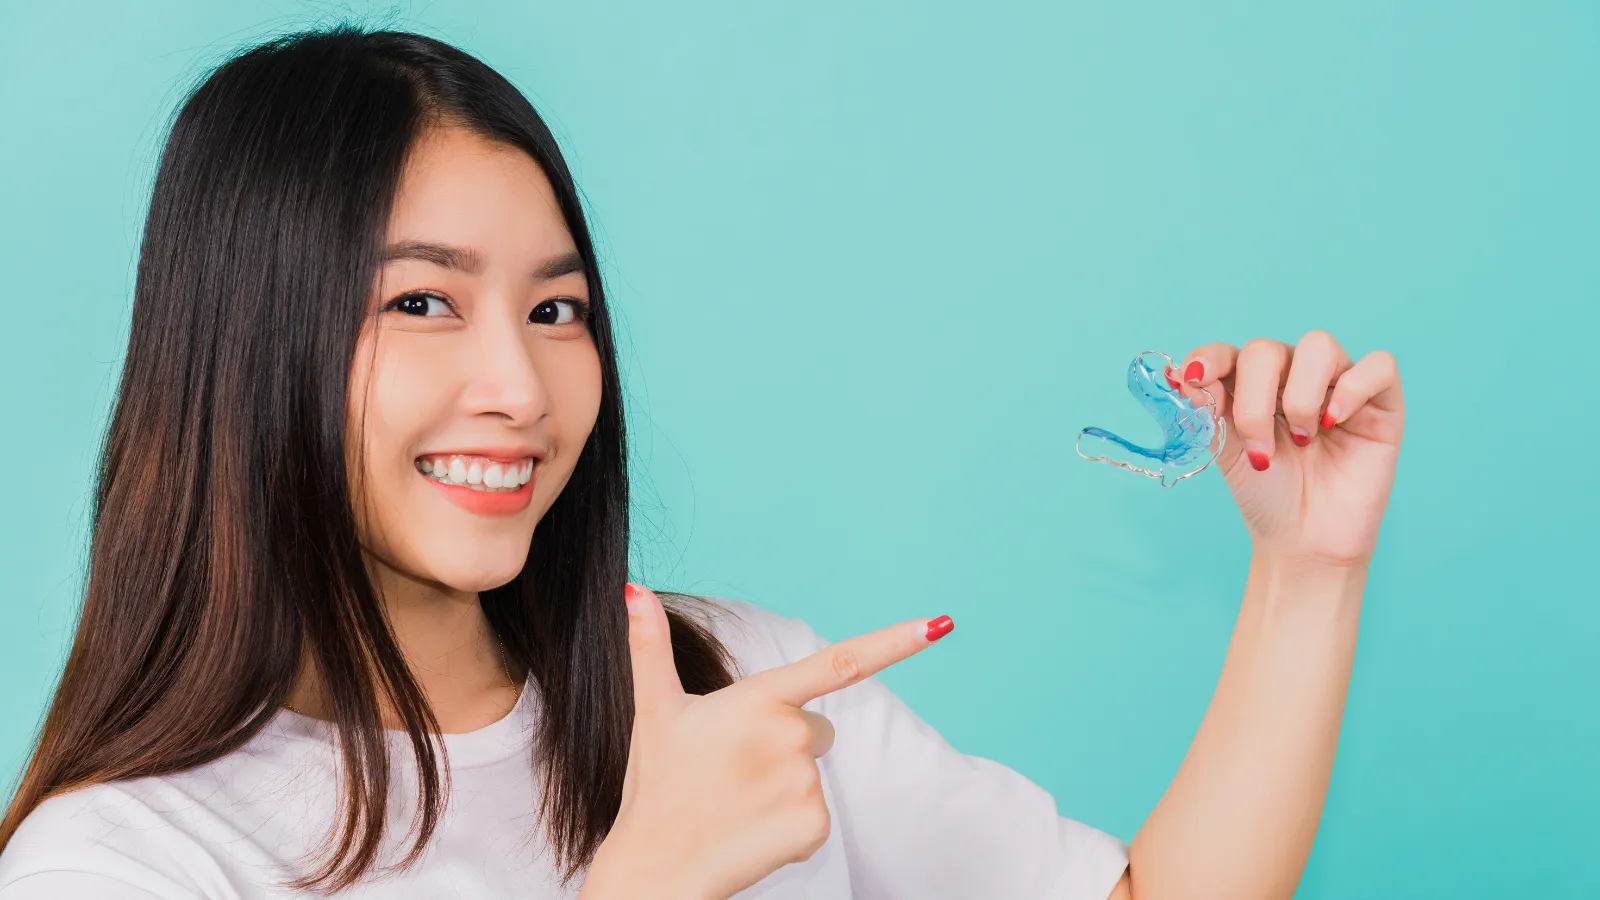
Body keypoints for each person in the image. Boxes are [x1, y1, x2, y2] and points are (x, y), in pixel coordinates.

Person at [0, 24, 1404, 900]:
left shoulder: (729, 683)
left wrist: (1307, 566)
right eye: (422, 301)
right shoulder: (123, 861)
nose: (522, 385)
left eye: (558, 310)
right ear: (241, 341)